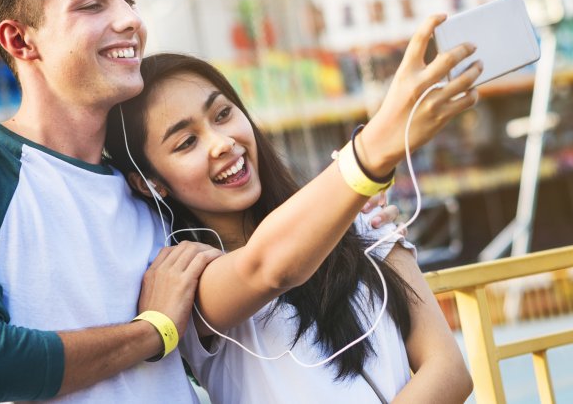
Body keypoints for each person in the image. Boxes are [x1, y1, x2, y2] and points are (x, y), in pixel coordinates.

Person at [0, 0, 417, 403]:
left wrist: (352, 213)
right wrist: (152, 332)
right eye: (93, 4)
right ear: (20, 41)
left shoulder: (149, 188)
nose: (129, 20)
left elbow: (260, 263)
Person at [104, 49, 478, 403]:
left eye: (222, 114)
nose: (221, 143)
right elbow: (271, 267)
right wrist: (370, 155)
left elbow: (450, 371)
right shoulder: (190, 283)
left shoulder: (365, 219)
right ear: (150, 182)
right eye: (187, 142)